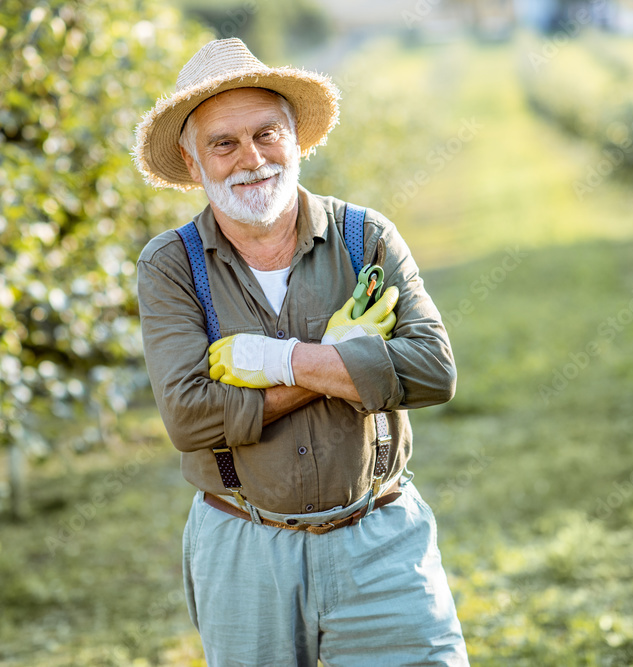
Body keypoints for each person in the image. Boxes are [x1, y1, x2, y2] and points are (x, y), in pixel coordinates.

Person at [133, 37, 468, 665]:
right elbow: (190, 417)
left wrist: (275, 361)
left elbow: (432, 371)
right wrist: (345, 360)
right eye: (223, 143)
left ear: (295, 136)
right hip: (244, 547)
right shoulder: (171, 265)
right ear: (191, 156)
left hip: (381, 540)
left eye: (267, 133)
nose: (251, 159)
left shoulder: (365, 236)